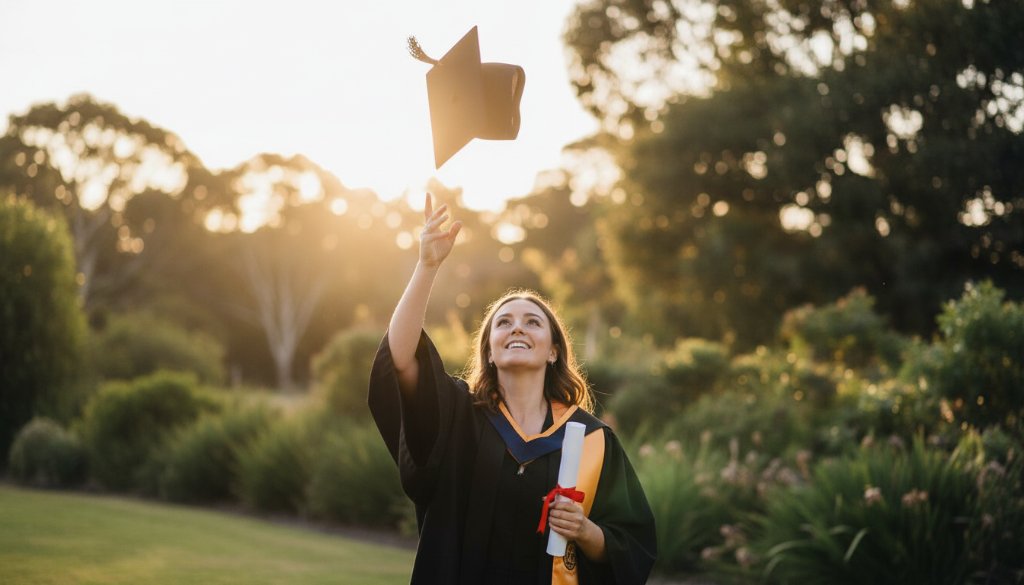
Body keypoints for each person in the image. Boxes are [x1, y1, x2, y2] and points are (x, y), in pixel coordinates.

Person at [369, 194, 657, 584]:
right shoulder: (457, 416)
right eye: (503, 322)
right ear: (488, 349)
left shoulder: (593, 441)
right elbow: (401, 358)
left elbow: (633, 546)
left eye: (532, 322)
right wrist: (427, 265)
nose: (517, 327)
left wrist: (585, 531)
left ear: (554, 350)